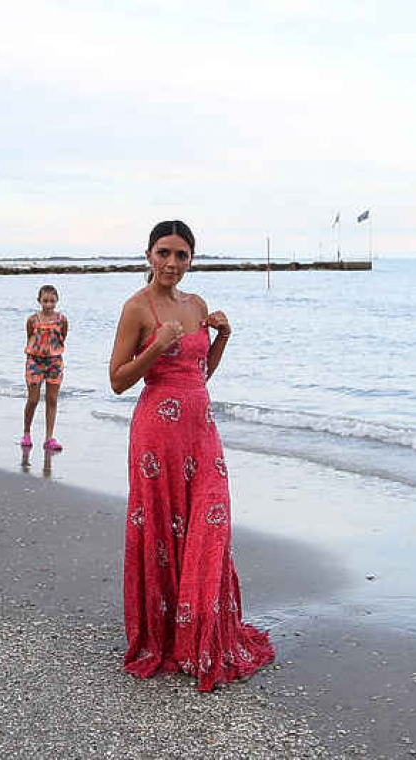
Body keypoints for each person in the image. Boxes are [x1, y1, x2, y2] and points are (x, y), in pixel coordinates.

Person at [108, 220, 273, 692]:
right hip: (156, 435)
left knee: (210, 523)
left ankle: (201, 630)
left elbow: (200, 373)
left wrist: (221, 337)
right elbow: (118, 380)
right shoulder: (136, 309)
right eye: (164, 253)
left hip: (201, 432)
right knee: (162, 529)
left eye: (181, 255)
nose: (172, 264)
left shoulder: (196, 305)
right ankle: (167, 636)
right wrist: (156, 346)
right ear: (148, 255)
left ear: (191, 259)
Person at [21, 285, 69, 451]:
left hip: (54, 361)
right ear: (39, 301)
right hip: (35, 361)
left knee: (52, 399)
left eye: (52, 301)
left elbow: (62, 336)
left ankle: (49, 437)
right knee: (33, 399)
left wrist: (52, 351)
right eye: (45, 301)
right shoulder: (32, 320)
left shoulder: (62, 319)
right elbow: (30, 337)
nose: (49, 304)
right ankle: (26, 432)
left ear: (57, 300)